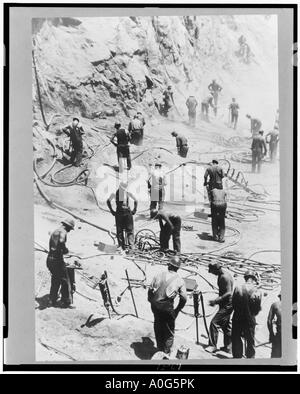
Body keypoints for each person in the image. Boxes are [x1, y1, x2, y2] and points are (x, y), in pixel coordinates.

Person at [148, 256, 187, 355]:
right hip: (166, 308)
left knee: (158, 325)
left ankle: (159, 349)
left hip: (155, 305)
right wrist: (177, 310)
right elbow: (184, 298)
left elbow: (150, 290)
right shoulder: (180, 280)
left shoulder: (158, 275)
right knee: (169, 331)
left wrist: (152, 301)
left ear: (169, 265)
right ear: (178, 268)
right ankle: (166, 353)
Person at [232, 270, 262, 359]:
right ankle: (250, 359)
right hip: (250, 319)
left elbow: (233, 303)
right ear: (254, 279)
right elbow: (257, 309)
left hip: (237, 317)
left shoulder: (238, 288)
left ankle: (237, 358)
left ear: (245, 278)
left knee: (236, 338)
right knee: (250, 340)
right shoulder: (257, 291)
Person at [46, 218, 75, 308]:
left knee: (55, 279)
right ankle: (65, 301)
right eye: (70, 229)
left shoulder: (55, 231)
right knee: (65, 280)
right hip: (57, 260)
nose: (69, 231)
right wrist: (65, 250)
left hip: (50, 259)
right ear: (67, 226)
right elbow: (61, 241)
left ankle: (52, 299)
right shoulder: (63, 231)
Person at [205, 263, 234, 354]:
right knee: (226, 326)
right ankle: (228, 347)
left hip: (227, 305)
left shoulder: (224, 277)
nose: (212, 273)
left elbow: (229, 292)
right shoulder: (223, 274)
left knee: (214, 323)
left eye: (212, 271)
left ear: (216, 269)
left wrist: (216, 301)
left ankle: (212, 346)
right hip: (226, 303)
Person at [107, 182, 138, 250]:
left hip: (127, 213)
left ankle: (131, 245)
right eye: (121, 188)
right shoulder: (115, 194)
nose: (122, 189)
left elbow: (136, 200)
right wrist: (112, 210)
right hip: (119, 213)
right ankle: (121, 246)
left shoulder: (127, 193)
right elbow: (108, 201)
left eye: (124, 188)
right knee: (119, 230)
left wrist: (134, 210)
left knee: (129, 230)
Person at [267, 293, 282, 358]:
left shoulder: (275, 305)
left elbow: (269, 321)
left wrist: (271, 334)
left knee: (275, 357)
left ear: (280, 297)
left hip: (279, 334)